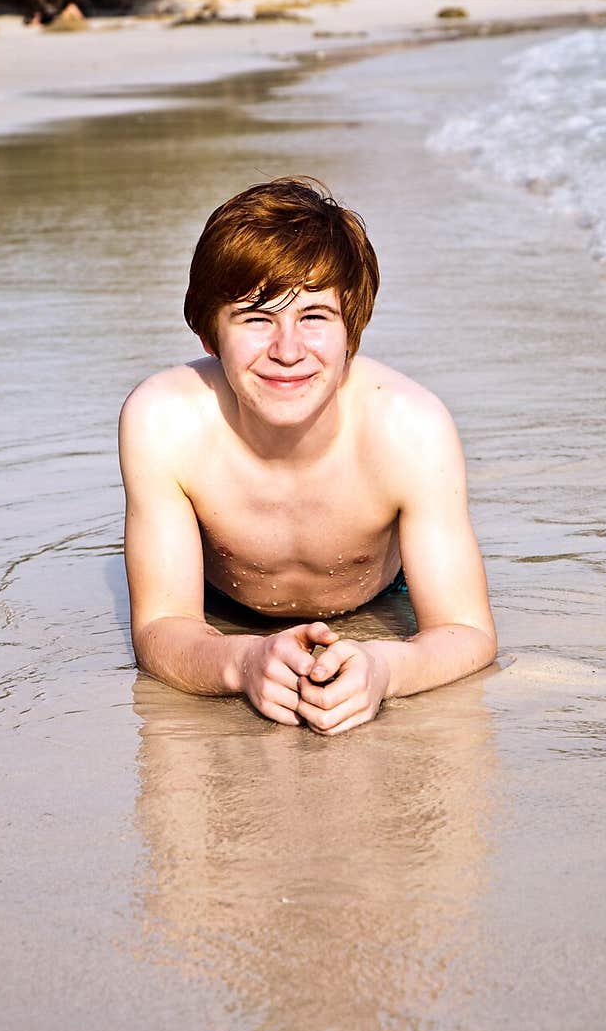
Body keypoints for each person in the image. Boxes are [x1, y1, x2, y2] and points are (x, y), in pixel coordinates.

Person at [118, 177, 497, 736]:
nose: (288, 351)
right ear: (209, 334)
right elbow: (162, 626)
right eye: (255, 317)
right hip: (223, 603)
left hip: (379, 594)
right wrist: (240, 661)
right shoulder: (165, 421)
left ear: (352, 332)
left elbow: (467, 631)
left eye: (314, 317)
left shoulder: (411, 429)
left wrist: (386, 668)